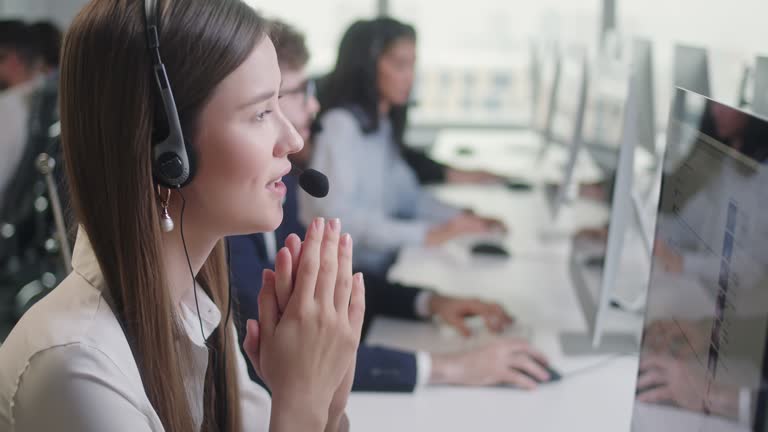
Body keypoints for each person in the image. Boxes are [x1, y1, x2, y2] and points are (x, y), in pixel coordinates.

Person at [0, 2, 365, 431]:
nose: (293, 138)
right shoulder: (74, 365)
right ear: (166, 153)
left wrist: (328, 404)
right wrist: (302, 400)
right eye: (261, 112)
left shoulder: (197, 306)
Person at [231, 20, 553, 393]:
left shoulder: (283, 189)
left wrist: (427, 301)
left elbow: (327, 289)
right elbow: (290, 356)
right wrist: (447, 368)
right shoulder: (230, 233)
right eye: (264, 109)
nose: (314, 109)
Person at [300, 18, 506, 276]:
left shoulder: (380, 125)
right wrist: (429, 233)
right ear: (368, 67)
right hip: (350, 276)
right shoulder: (341, 126)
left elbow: (408, 198)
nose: (410, 76)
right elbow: (339, 221)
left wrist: (460, 218)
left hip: (380, 264)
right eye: (400, 65)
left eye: (412, 65)